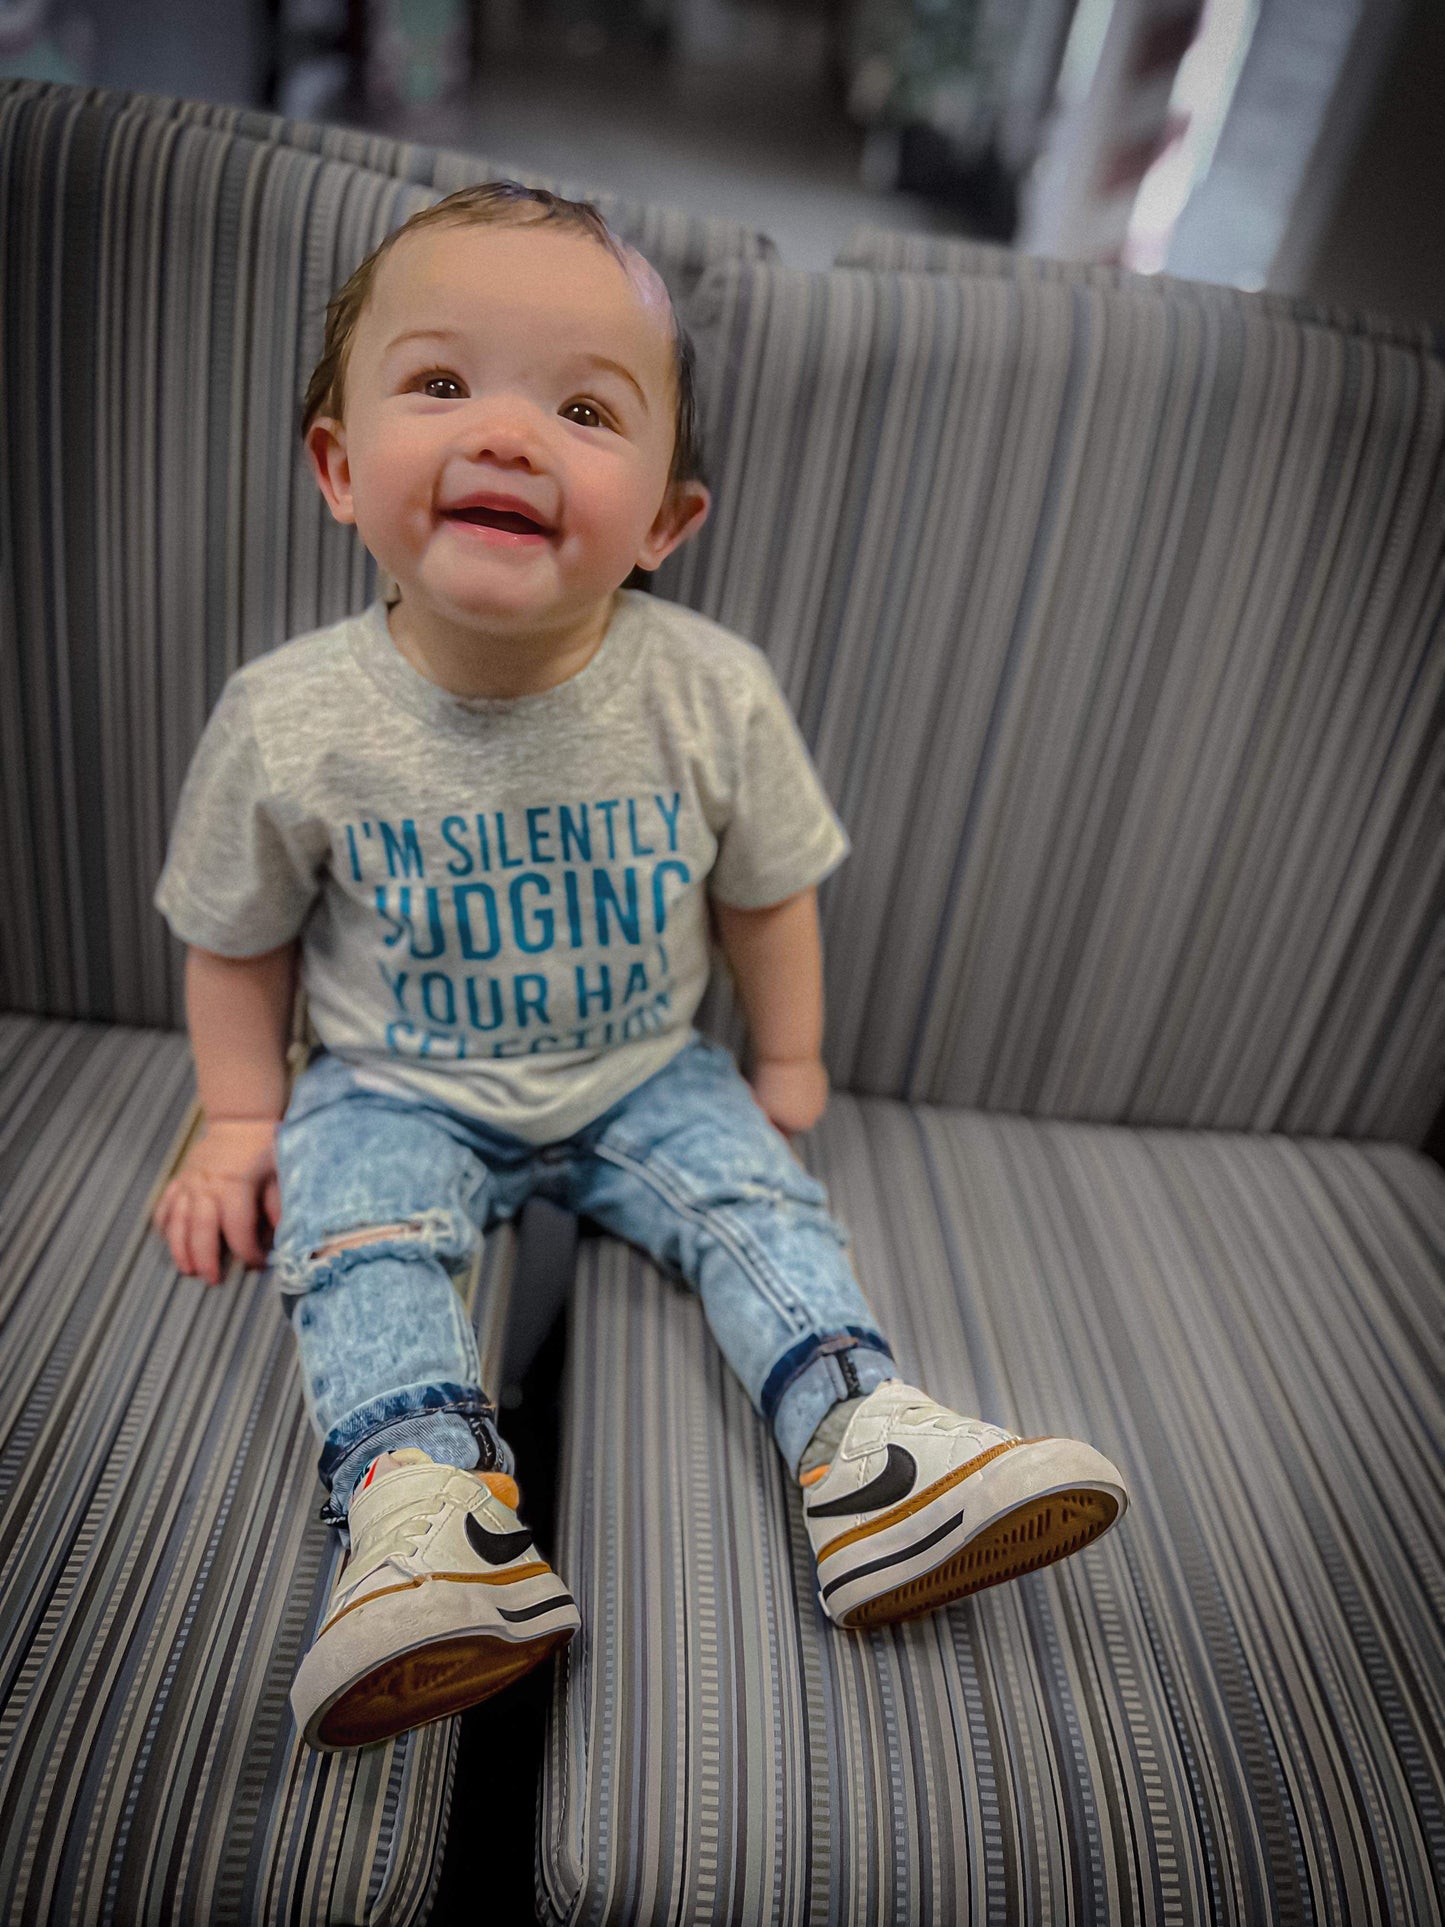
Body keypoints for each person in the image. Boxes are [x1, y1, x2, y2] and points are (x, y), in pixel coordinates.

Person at [151, 181, 1129, 1753]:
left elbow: (769, 895)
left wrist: (787, 1059)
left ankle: (865, 1441)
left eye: (584, 409)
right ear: (339, 468)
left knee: (755, 1210)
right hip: (394, 1078)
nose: (509, 435)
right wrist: (239, 1120)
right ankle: (427, 1517)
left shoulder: (708, 692)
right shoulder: (287, 715)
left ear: (666, 520)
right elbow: (234, 931)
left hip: (642, 1069)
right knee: (358, 1245)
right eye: (442, 384)